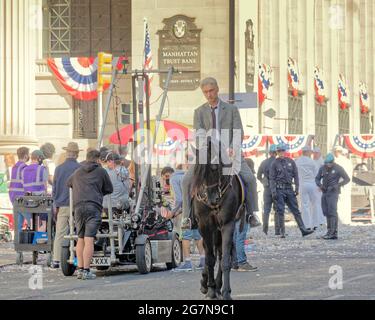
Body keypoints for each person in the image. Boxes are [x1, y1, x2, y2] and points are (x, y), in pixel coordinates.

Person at [181, 77, 258, 230]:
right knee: (186, 180)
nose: (209, 94)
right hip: (207, 155)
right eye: (205, 92)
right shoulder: (199, 112)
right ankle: (187, 217)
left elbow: (238, 132)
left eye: (211, 91)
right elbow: (199, 135)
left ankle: (251, 214)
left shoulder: (231, 109)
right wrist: (205, 150)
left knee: (249, 179)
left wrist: (232, 148)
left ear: (217, 90)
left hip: (230, 153)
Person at [67, 150, 113, 280]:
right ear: (98, 159)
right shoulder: (101, 171)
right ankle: (87, 270)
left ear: (86, 158)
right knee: (89, 239)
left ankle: (80, 269)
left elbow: (68, 183)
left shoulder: (77, 171)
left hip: (78, 207)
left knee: (80, 238)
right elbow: (109, 189)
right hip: (93, 207)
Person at [269, 144, 314, 238]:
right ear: (277, 152)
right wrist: (273, 191)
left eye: (282, 151)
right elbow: (272, 178)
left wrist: (297, 187)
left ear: (285, 152)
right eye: (279, 151)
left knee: (296, 210)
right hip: (279, 189)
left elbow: (296, 175)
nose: (281, 153)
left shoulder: (291, 161)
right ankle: (282, 232)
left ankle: (303, 230)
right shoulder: (274, 163)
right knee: (280, 211)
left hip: (289, 189)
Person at [169, 162, 205, 272]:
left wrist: (173, 212)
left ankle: (188, 262)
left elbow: (179, 199)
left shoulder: (174, 179)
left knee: (185, 236)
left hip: (187, 213)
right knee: (198, 235)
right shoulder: (193, 177)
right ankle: (203, 261)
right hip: (197, 211)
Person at [51, 142, 82, 269]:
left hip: (62, 204)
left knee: (60, 233)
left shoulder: (58, 168)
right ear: (77, 154)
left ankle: (57, 260)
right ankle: (77, 258)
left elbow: (54, 189)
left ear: (67, 153)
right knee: (79, 232)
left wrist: (55, 204)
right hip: (78, 204)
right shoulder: (80, 168)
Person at [315, 153, 350, 239]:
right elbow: (317, 178)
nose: (328, 164)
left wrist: (337, 185)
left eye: (330, 163)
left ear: (333, 161)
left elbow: (347, 179)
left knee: (332, 211)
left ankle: (334, 232)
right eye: (327, 163)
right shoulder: (322, 168)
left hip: (333, 192)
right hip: (325, 191)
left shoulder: (338, 168)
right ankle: (329, 231)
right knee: (326, 211)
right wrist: (320, 185)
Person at [295, 146, 324, 231]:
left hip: (302, 184)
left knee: (304, 205)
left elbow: (295, 173)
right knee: (315, 204)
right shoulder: (312, 162)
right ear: (307, 152)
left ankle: (306, 224)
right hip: (312, 183)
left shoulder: (298, 161)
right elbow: (316, 174)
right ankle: (315, 224)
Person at [22, 150, 48, 231]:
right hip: (40, 200)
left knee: (32, 223)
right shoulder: (42, 169)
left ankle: (33, 235)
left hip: (28, 201)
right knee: (44, 222)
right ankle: (40, 238)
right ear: (39, 158)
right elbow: (45, 186)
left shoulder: (24, 170)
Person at [257, 144, 279, 235]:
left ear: (270, 153)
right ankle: (277, 230)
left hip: (267, 188)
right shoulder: (279, 162)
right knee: (277, 210)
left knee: (266, 209)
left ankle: (265, 229)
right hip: (277, 188)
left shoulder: (264, 162)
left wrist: (264, 182)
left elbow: (258, 176)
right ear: (276, 153)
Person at [9, 147, 30, 231]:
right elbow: (27, 184)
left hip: (13, 197)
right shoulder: (25, 168)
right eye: (28, 154)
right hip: (22, 198)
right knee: (32, 221)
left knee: (18, 225)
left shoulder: (14, 167)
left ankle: (17, 243)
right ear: (25, 156)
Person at [333, 146, 353, 224]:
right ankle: (346, 220)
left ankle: (339, 220)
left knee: (338, 202)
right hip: (347, 184)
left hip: (338, 183)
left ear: (336, 152)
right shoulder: (348, 161)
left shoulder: (336, 161)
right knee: (347, 202)